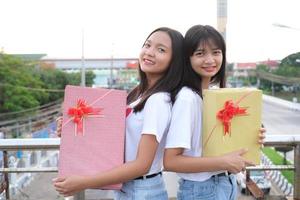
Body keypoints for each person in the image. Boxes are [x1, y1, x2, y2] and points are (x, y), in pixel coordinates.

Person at [53, 27, 184, 199]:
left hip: (143, 190)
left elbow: (142, 165)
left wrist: (84, 182)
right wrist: (72, 130)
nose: (150, 52)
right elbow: (114, 140)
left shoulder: (158, 100)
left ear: (174, 60)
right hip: (128, 188)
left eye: (161, 50)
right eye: (147, 45)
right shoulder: (138, 94)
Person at [163, 25, 265, 200]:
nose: (210, 60)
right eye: (200, 53)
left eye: (216, 52)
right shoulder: (187, 98)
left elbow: (217, 143)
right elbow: (171, 161)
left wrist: (251, 136)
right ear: (188, 58)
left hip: (225, 183)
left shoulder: (212, 94)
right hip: (203, 189)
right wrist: (223, 162)